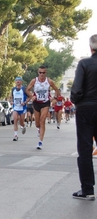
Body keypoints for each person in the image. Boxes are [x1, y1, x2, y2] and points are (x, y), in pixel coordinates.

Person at [70, 34, 97, 201]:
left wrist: (75, 100)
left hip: (86, 109)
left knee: (85, 149)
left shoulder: (84, 63)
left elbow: (77, 89)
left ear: (90, 48)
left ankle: (87, 189)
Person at [26, 65, 61, 150]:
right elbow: (27, 90)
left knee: (42, 121)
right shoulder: (34, 81)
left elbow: (57, 90)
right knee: (37, 123)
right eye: (40, 72)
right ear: (38, 73)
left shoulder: (49, 81)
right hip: (36, 103)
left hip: (45, 103)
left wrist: (54, 98)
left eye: (43, 73)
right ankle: (39, 129)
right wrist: (31, 96)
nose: (41, 74)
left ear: (46, 73)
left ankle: (40, 142)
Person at [10, 77, 28, 141]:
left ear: (21, 82)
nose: (18, 81)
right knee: (15, 119)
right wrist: (11, 101)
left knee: (21, 122)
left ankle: (23, 125)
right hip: (15, 107)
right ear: (15, 82)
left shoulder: (24, 89)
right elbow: (11, 97)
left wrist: (25, 102)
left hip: (22, 108)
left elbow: (30, 96)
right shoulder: (13, 89)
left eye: (19, 80)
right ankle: (15, 135)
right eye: (16, 80)